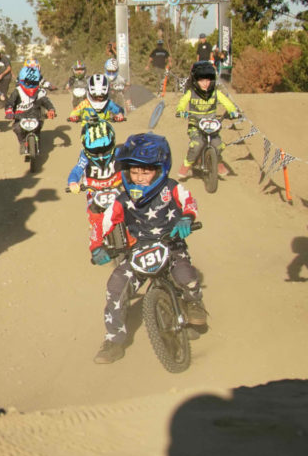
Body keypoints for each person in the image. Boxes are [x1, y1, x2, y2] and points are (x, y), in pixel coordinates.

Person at [89, 133, 206, 364]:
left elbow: (189, 202)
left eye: (146, 171)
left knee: (184, 273)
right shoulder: (121, 200)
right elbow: (102, 223)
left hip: (170, 243)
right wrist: (97, 247)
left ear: (160, 168)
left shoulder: (172, 188)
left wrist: (187, 218)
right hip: (138, 250)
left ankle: (193, 303)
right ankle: (114, 340)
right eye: (135, 171)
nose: (140, 177)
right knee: (115, 286)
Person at [175, 61, 241, 179]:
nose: (205, 83)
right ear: (195, 81)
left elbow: (228, 103)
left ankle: (218, 162)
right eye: (201, 80)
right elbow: (181, 103)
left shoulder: (216, 93)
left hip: (211, 125)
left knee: (218, 145)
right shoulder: (191, 93)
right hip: (195, 125)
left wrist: (233, 111)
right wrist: (181, 111)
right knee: (197, 144)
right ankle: (186, 165)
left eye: (207, 80)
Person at [66, 120, 123, 235]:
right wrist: (72, 182)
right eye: (95, 150)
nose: (100, 153)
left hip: (116, 187)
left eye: (104, 148)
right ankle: (97, 238)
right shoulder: (85, 156)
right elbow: (77, 170)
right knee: (94, 217)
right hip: (94, 191)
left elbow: (131, 162)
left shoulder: (118, 152)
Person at [4, 65, 56, 157]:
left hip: (36, 115)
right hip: (20, 116)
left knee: (38, 127)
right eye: (28, 83)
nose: (31, 85)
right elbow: (10, 102)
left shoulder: (39, 92)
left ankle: (37, 143)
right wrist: (9, 111)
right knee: (17, 129)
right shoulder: (17, 91)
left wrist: (51, 109)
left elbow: (46, 101)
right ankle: (22, 142)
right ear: (22, 81)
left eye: (34, 83)